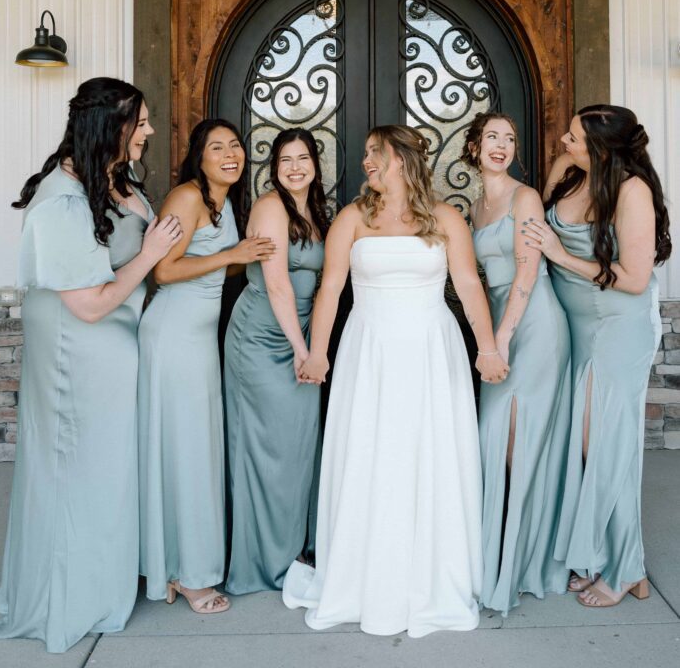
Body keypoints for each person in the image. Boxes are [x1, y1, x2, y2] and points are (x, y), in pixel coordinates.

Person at [283, 125, 508, 637]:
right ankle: (365, 574)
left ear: (401, 159)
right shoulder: (352, 219)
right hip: (371, 352)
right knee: (373, 453)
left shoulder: (446, 218)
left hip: (432, 350)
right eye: (364, 154)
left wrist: (488, 347)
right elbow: (331, 290)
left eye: (374, 154)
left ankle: (433, 573)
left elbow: (469, 284)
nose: (366, 162)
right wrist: (318, 353)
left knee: (428, 455)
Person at [0, 78, 183, 653]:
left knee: (108, 471)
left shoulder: (114, 180)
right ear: (113, 126)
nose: (150, 131)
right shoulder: (62, 199)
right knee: (72, 475)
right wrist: (150, 255)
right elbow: (90, 303)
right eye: (142, 122)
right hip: (77, 352)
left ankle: (105, 581)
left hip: (116, 348)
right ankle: (67, 595)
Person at [523, 105, 672, 608]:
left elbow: (632, 280)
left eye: (574, 138)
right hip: (574, 327)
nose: (564, 142)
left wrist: (561, 255)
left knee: (606, 445)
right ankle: (606, 557)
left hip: (618, 327)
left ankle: (627, 567)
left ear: (602, 149)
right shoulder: (568, 173)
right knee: (588, 447)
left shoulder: (632, 192)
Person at [138, 119, 275, 613]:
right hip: (172, 334)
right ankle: (187, 574)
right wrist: (233, 254)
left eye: (235, 145)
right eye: (217, 147)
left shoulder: (224, 204)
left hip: (197, 338)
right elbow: (164, 270)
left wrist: (253, 255)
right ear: (199, 156)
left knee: (191, 450)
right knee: (186, 451)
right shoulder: (187, 197)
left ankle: (179, 564)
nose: (230, 153)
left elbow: (222, 260)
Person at [463, 112, 571, 614]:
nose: (501, 145)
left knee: (519, 441)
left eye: (509, 138)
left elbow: (528, 271)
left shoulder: (525, 197)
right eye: (492, 137)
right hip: (500, 330)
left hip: (535, 326)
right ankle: (492, 559)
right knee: (492, 440)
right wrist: (489, 339)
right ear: (473, 146)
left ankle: (518, 565)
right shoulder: (474, 209)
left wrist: (501, 339)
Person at [224, 128, 329, 594]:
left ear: (315, 164)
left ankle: (296, 546)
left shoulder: (317, 211)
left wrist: (309, 345)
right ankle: (265, 558)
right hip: (263, 340)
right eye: (285, 159)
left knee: (299, 442)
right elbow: (278, 285)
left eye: (302, 157)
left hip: (299, 335)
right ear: (274, 167)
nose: (294, 167)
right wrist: (303, 351)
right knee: (269, 445)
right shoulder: (270, 208)